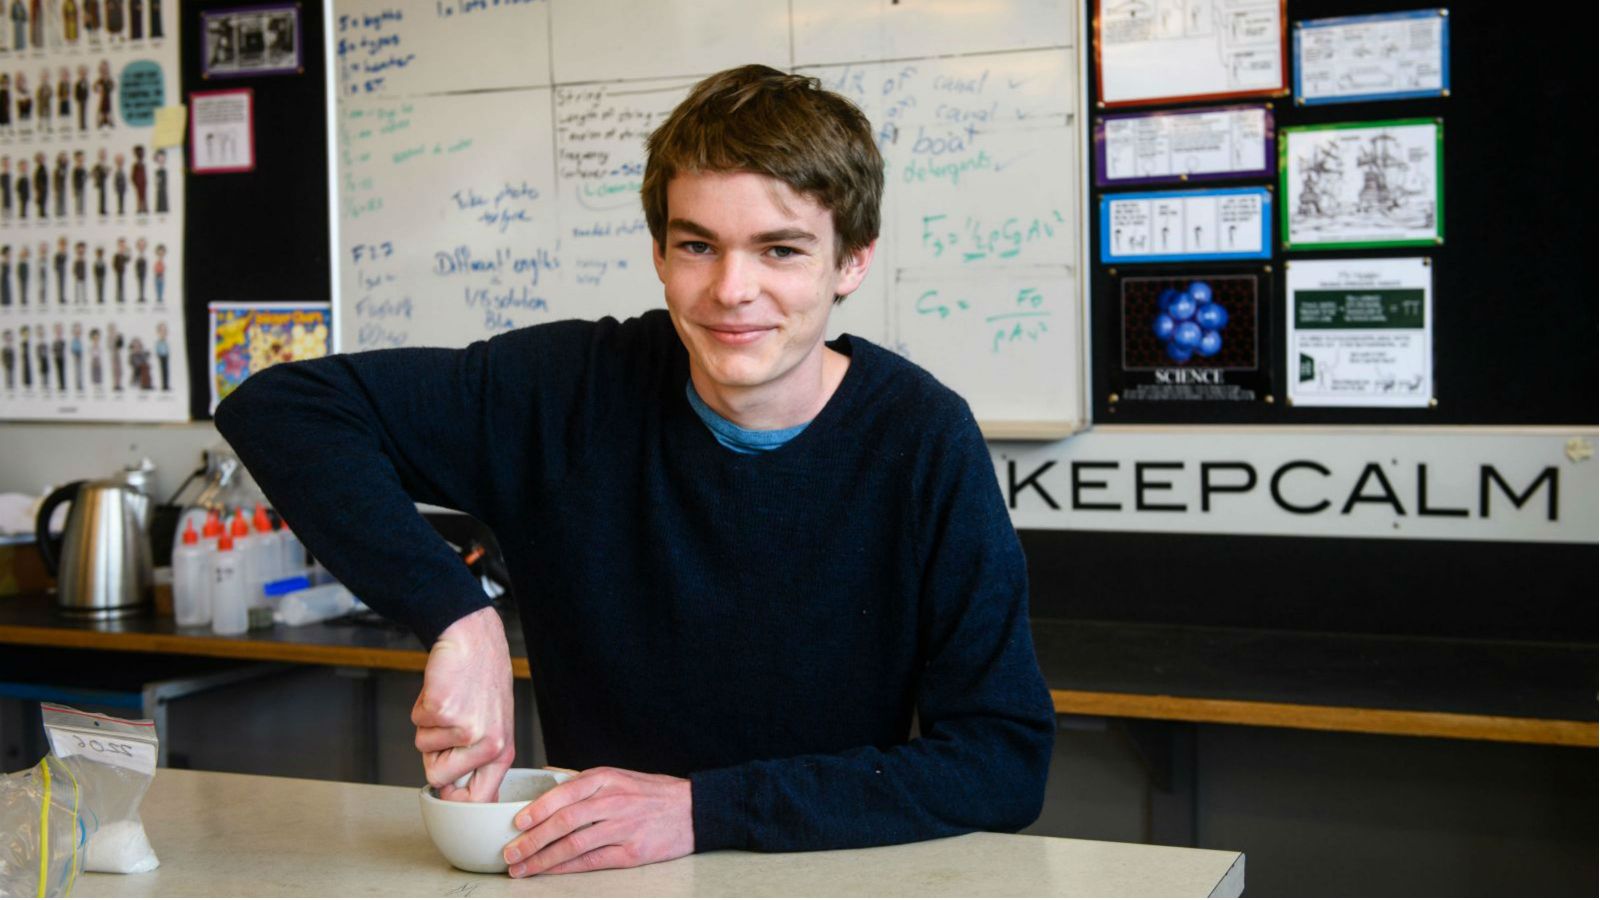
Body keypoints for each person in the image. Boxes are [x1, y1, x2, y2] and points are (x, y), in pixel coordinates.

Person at [216, 65, 1052, 878]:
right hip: (601, 878)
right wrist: (456, 615)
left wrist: (700, 809)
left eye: (781, 249)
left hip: (819, 876)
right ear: (659, 253)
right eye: (699, 245)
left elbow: (1001, 760)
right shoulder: (569, 390)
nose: (733, 289)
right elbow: (281, 408)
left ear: (852, 263)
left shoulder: (920, 437)